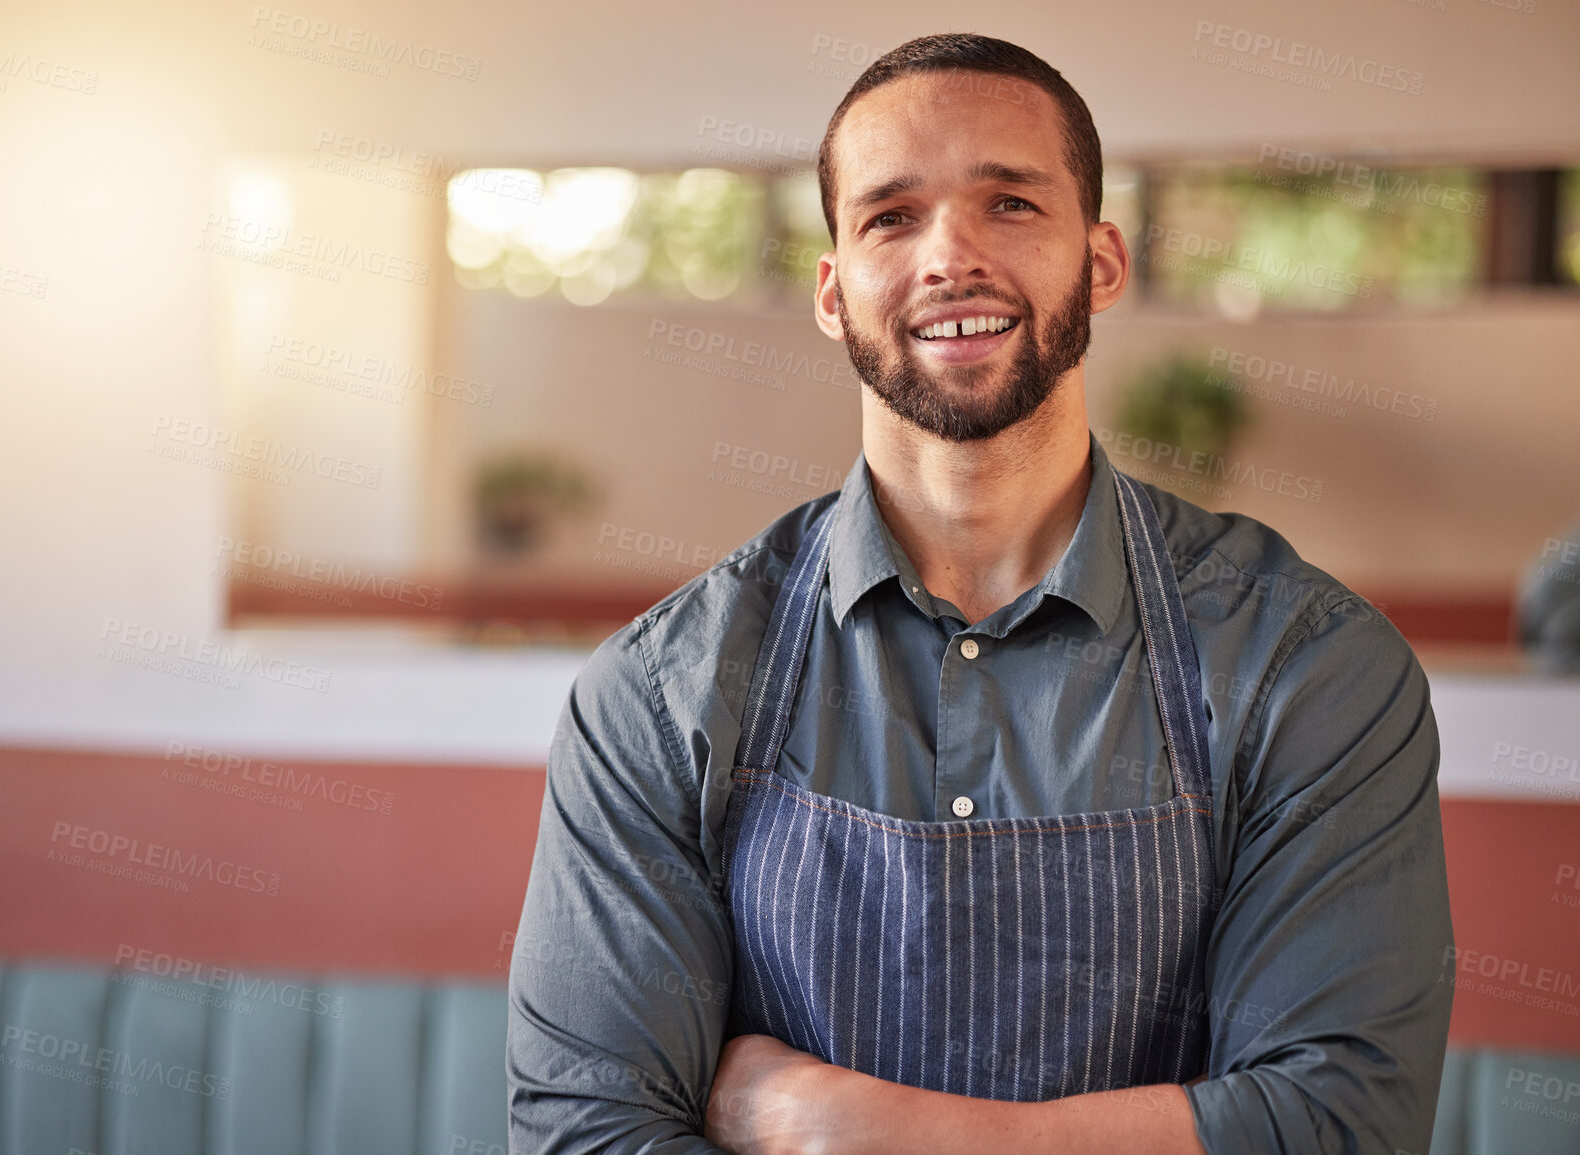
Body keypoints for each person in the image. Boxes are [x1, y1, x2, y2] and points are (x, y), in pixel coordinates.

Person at [506, 32, 1454, 1155]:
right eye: (890, 216)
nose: (949, 255)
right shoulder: (664, 690)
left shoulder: (1308, 663)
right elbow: (588, 1132)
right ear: (834, 289)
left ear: (1101, 261)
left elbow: (1338, 1122)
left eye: (1009, 203)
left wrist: (846, 1126)